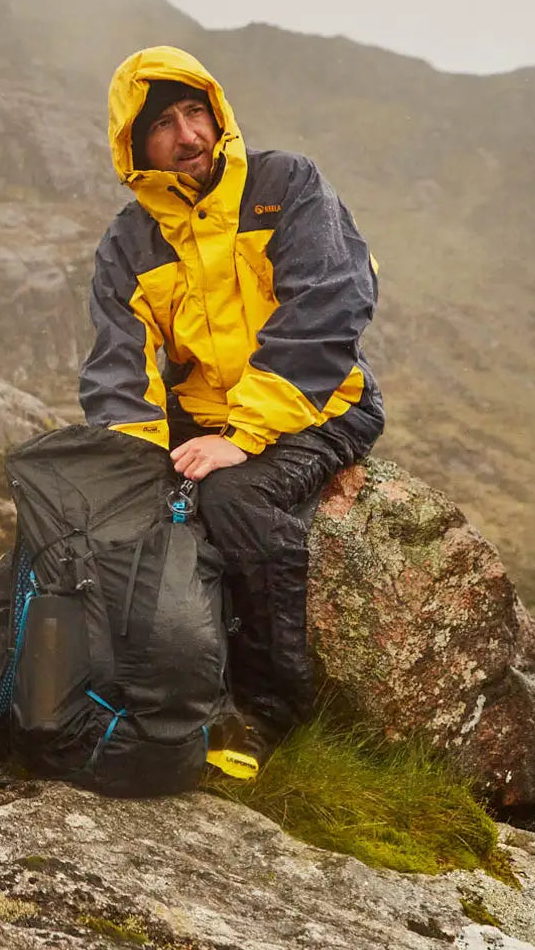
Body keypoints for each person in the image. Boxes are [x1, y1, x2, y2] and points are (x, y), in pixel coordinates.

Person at [78, 45, 385, 743]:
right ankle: (19, 688)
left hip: (323, 405)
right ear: (136, 144)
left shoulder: (286, 184)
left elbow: (328, 309)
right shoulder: (129, 241)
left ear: (218, 116)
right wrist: (128, 466)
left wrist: (240, 438)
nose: (188, 136)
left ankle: (272, 715)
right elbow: (119, 367)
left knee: (234, 499)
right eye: (163, 124)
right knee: (95, 503)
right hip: (207, 415)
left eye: (196, 113)